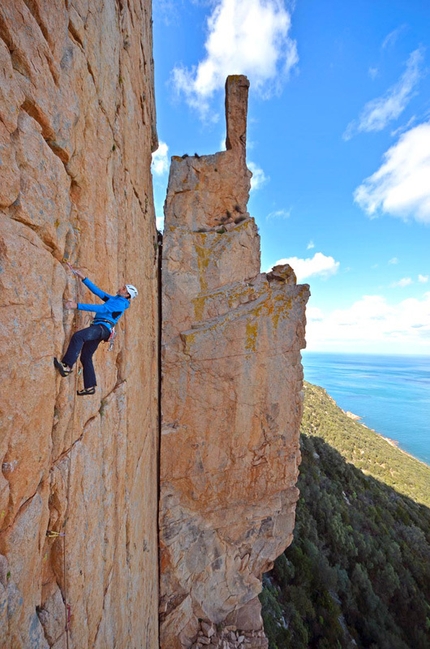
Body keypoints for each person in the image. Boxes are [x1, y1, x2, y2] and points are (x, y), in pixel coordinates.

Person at [54, 264, 138, 396]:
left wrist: (77, 305)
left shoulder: (120, 303)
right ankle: (90, 386)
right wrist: (83, 278)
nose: (121, 288)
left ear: (127, 294)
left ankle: (67, 366)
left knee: (78, 337)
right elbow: (99, 292)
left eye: (123, 288)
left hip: (102, 328)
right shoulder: (116, 299)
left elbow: (102, 309)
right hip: (102, 329)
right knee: (86, 356)